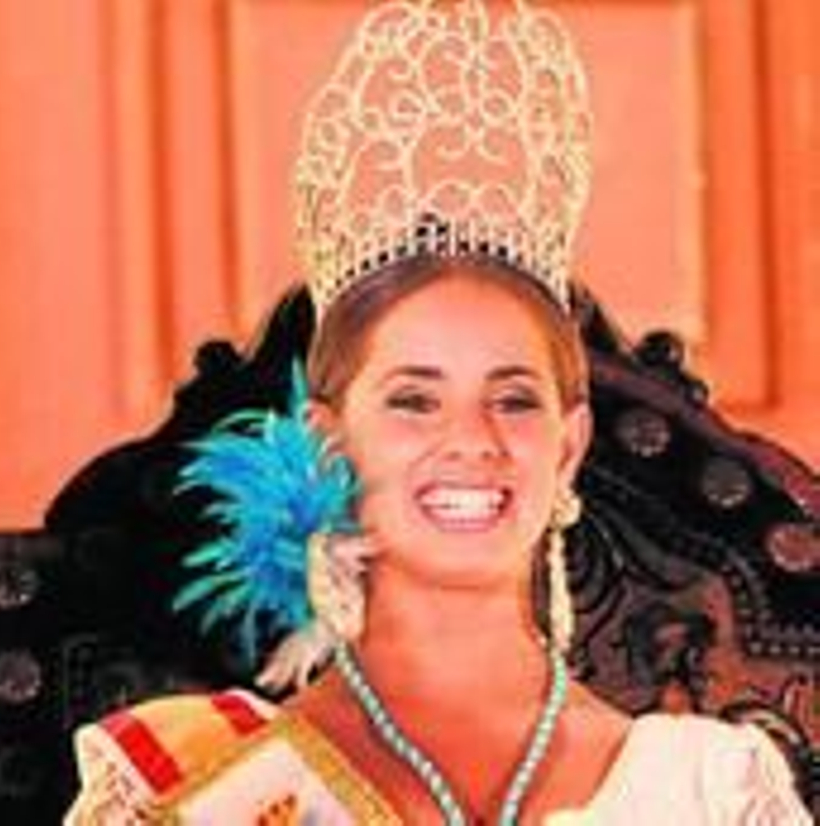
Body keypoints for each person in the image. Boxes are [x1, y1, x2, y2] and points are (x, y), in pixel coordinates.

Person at [65, 1, 813, 823]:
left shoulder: (708, 790)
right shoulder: (204, 783)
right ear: (329, 443)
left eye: (514, 398)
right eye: (415, 401)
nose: (472, 439)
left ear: (569, 447)